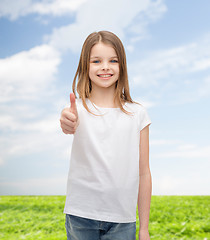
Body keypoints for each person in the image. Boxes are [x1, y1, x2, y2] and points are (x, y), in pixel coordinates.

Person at [60, 31, 152, 240]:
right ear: (86, 65)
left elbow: (144, 173)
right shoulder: (77, 110)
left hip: (123, 219)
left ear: (122, 66)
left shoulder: (138, 113)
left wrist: (144, 228)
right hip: (80, 216)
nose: (105, 67)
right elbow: (67, 123)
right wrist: (67, 122)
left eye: (113, 60)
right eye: (96, 61)